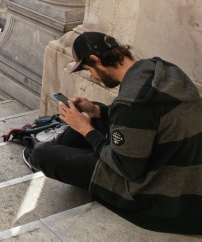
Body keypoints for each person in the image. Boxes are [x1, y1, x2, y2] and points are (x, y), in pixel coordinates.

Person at [27, 33, 202, 236]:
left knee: (42, 154)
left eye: (89, 70)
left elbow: (127, 168)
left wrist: (86, 129)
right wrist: (96, 110)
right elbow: (144, 121)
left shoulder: (131, 103)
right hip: (185, 182)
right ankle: (62, 147)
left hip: (163, 198)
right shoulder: (159, 70)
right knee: (88, 121)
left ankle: (56, 151)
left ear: (96, 59)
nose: (93, 76)